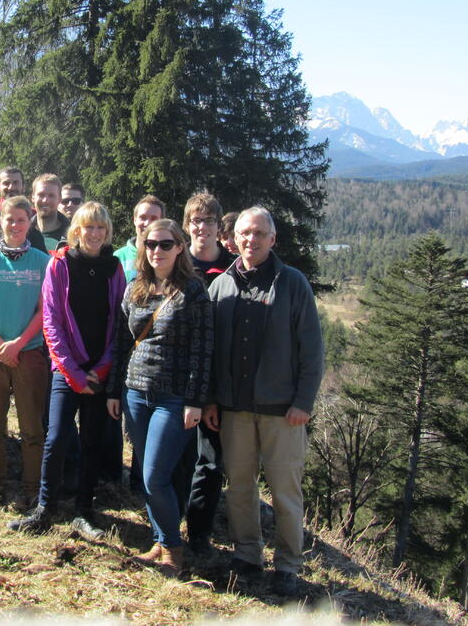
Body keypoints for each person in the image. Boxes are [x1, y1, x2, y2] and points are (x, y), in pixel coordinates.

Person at [204, 206, 323, 596]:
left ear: (272, 240)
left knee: (285, 492)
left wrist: (303, 402)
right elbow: (210, 353)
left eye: (259, 234)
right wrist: (211, 401)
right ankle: (247, 555)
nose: (250, 240)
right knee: (239, 486)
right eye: (244, 233)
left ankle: (288, 565)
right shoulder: (220, 286)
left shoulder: (292, 283)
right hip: (234, 409)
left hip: (283, 412)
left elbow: (312, 349)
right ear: (233, 239)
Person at [9, 202, 125, 538]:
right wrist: (72, 372)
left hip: (98, 371)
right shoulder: (60, 264)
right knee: (57, 437)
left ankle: (84, 511)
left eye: (101, 228)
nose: (95, 234)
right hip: (66, 369)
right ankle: (45, 509)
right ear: (76, 230)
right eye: (89, 227)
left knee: (92, 442)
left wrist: (101, 370)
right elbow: (51, 321)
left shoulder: (114, 268)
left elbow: (119, 323)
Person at [107, 218, 212, 578]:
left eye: (165, 244)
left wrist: (195, 401)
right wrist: (114, 391)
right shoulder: (135, 287)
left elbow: (203, 350)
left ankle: (173, 550)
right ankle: (159, 541)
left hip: (174, 397)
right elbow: (122, 343)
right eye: (150, 244)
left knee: (154, 476)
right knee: (146, 474)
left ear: (180, 247)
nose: (157, 251)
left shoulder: (193, 291)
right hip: (135, 393)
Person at [0, 195, 50, 501]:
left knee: (32, 430)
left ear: (30, 222)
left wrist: (18, 343)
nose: (15, 225)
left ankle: (33, 490)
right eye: (9, 219)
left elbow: (45, 312)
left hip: (29, 353)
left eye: (21, 220)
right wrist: (0, 343)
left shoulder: (43, 262)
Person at [178, 192, 237, 553]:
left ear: (219, 226)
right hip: (179, 379)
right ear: (187, 226)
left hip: (219, 381)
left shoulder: (235, 269)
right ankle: (171, 524)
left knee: (212, 462)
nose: (202, 227)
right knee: (179, 456)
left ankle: (199, 533)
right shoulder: (174, 263)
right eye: (196, 221)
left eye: (209, 221)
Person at [115, 195, 165, 283]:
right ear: (134, 220)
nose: (147, 223)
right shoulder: (119, 257)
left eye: (154, 218)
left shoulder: (167, 256)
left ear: (162, 222)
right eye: (143, 217)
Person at [31, 174, 69, 252]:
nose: (45, 200)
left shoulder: (73, 235)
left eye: (51, 195)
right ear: (33, 197)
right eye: (41, 195)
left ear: (59, 199)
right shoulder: (22, 233)